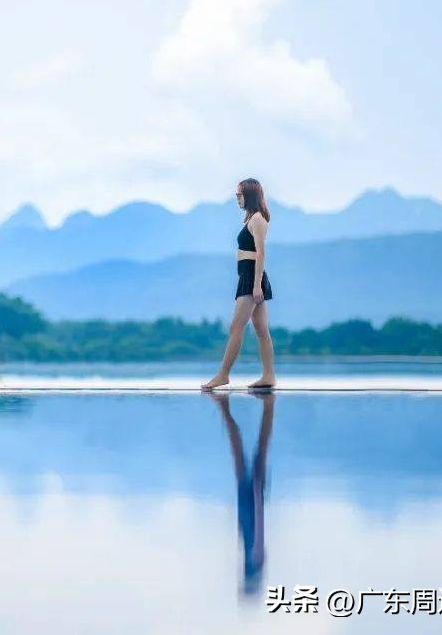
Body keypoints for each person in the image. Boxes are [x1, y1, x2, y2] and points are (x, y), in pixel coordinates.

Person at [202, 178, 276, 390]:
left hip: (253, 277)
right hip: (248, 275)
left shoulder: (258, 220)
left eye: (239, 194)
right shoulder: (251, 219)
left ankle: (223, 375)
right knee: (261, 329)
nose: (236, 198)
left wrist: (256, 284)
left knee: (236, 326)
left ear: (250, 195)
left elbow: (261, 253)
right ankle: (269, 376)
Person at [211, 391, 276, 597]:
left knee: (245, 450)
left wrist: (256, 493)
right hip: (251, 499)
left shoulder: (253, 559)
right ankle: (264, 407)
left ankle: (226, 409)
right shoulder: (255, 558)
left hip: (248, 500)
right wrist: (257, 491)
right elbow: (258, 527)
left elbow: (253, 529)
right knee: (257, 448)